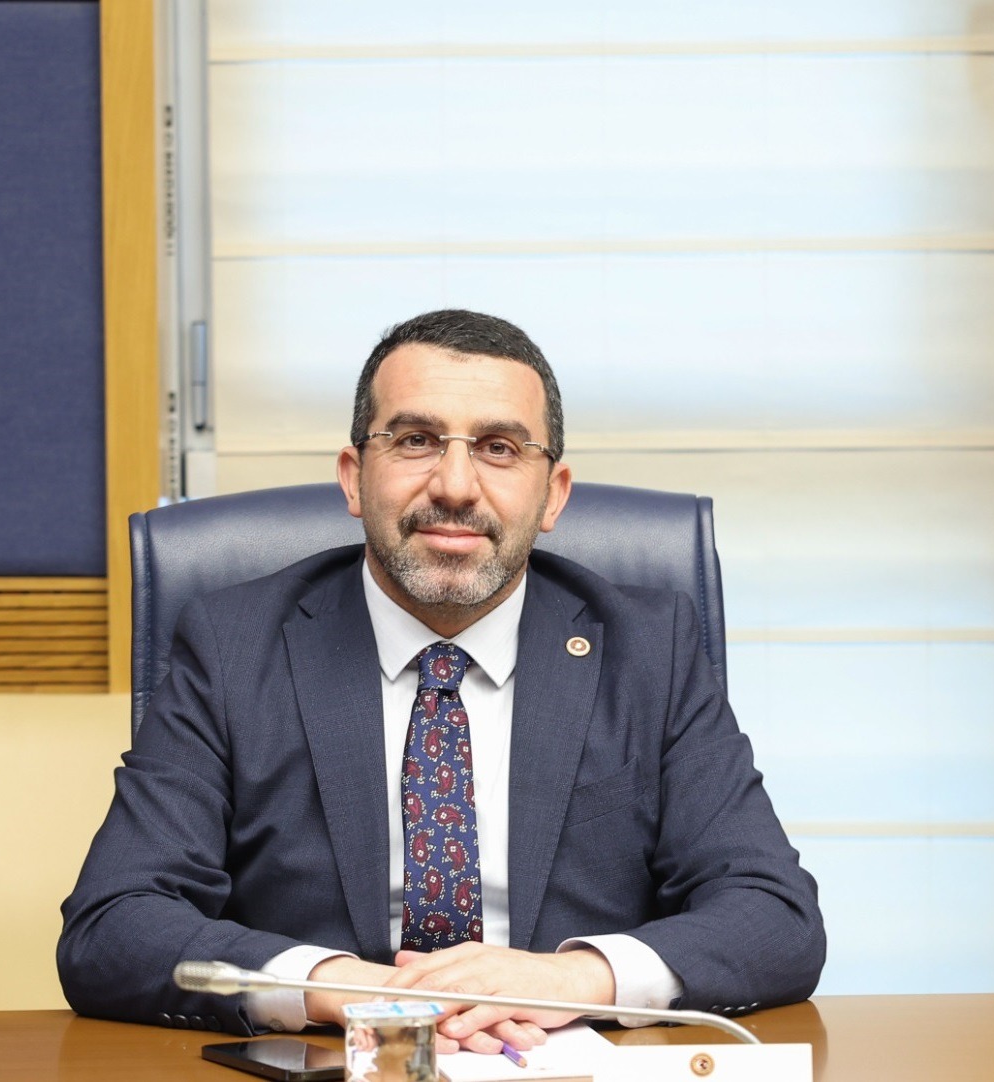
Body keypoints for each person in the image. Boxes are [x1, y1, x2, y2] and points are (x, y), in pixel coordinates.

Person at [58, 310, 825, 1053]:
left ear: (554, 494)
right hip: (335, 1061)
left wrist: (571, 980)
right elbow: (113, 924)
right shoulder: (233, 645)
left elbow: (773, 916)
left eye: (499, 448)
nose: (455, 485)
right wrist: (337, 986)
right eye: (416, 440)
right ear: (354, 478)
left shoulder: (649, 648)